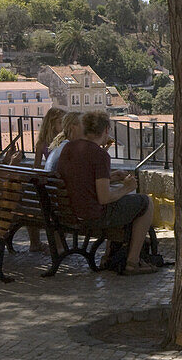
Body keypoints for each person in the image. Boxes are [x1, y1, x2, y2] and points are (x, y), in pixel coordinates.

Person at [56, 111, 157, 276]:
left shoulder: (69, 147)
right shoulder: (100, 154)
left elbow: (80, 180)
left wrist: (110, 178)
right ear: (106, 130)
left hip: (68, 213)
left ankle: (109, 256)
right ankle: (132, 262)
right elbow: (104, 198)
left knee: (122, 203)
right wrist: (127, 188)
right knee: (145, 202)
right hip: (92, 216)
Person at [27, 107, 67, 252]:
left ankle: (35, 243)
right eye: (61, 122)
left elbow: (36, 168)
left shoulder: (41, 143)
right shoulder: (63, 143)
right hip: (57, 185)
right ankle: (60, 246)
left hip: (47, 186)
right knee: (56, 213)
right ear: (52, 124)